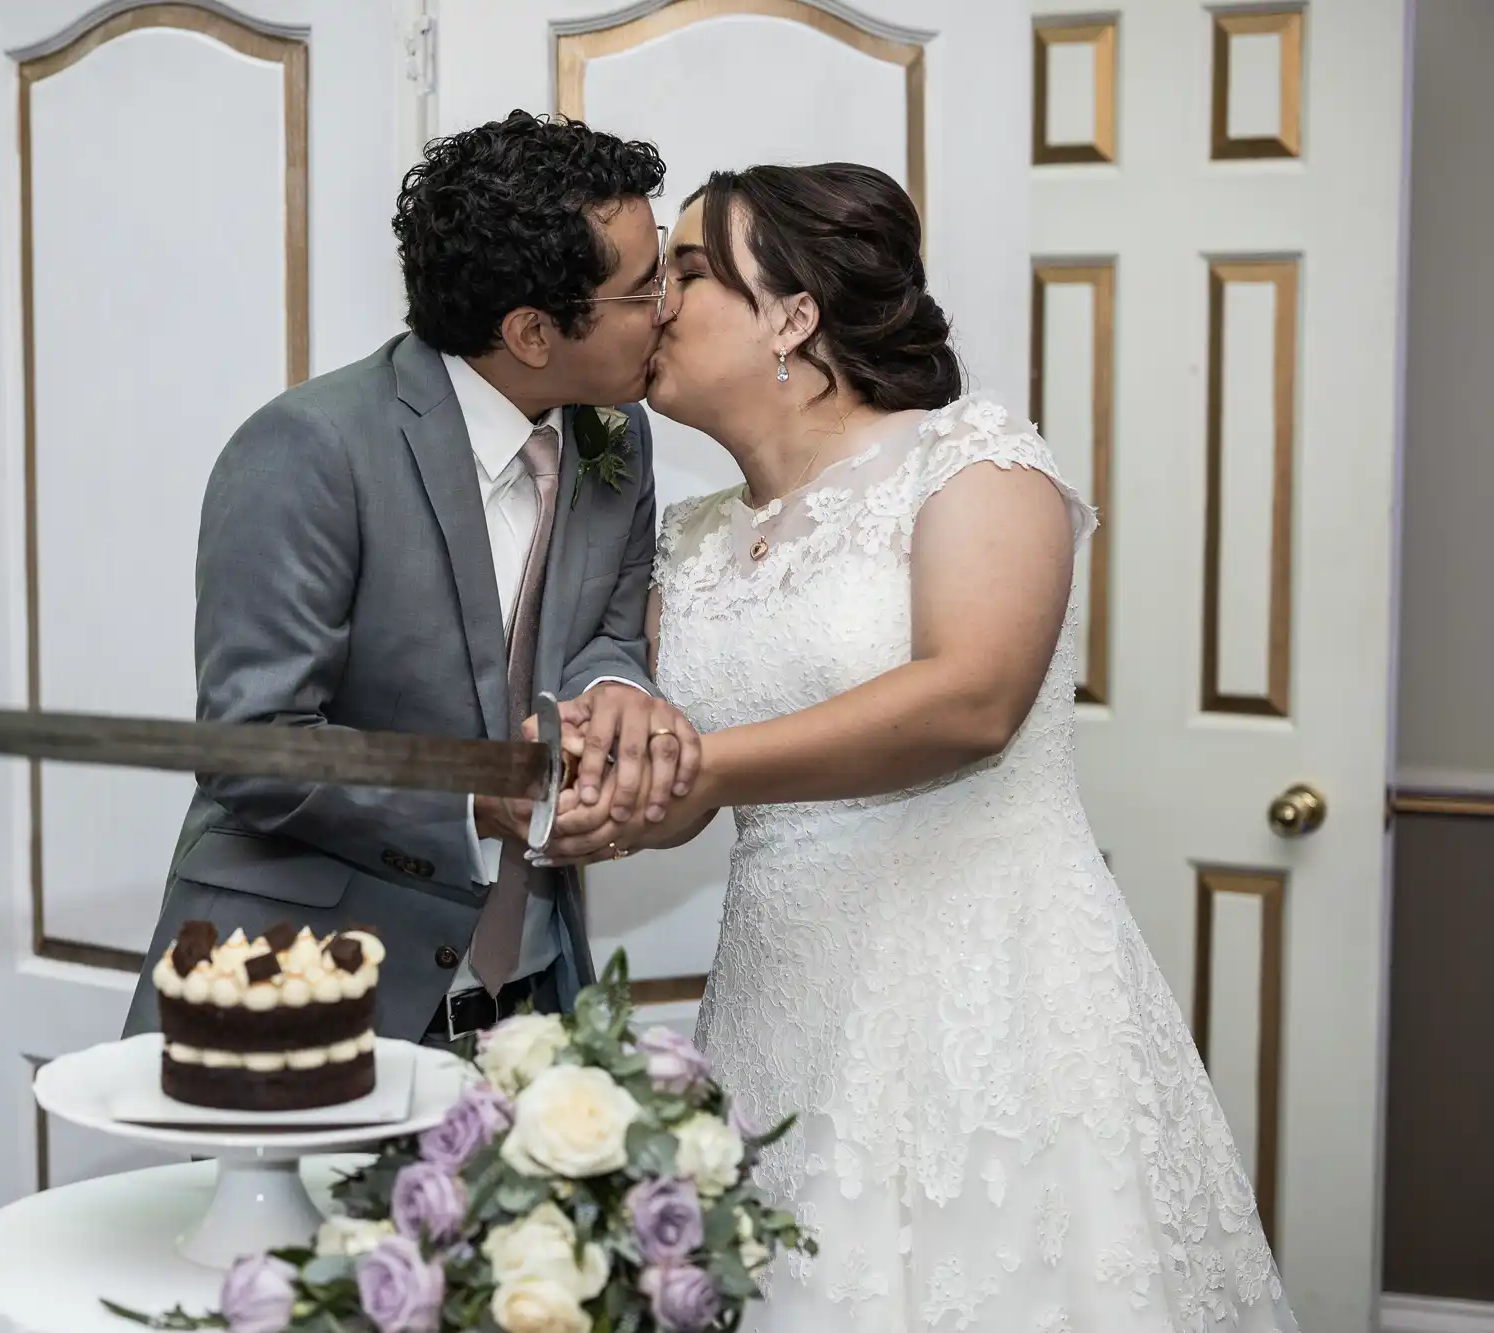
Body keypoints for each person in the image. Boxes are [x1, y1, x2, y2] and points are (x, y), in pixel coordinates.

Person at [549, 163, 1296, 1330]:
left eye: (688, 271)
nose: (654, 300)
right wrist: (592, 797)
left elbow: (969, 702)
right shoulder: (688, 540)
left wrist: (703, 764)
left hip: (985, 997)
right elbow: (681, 784)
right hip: (782, 1003)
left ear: (790, 313)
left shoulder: (974, 462)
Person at [123, 112, 701, 1048]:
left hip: (533, 994)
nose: (669, 304)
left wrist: (614, 689)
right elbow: (251, 745)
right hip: (310, 991)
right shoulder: (311, 448)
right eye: (646, 287)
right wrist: (477, 798)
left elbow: (605, 632)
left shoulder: (620, 438)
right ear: (532, 331)